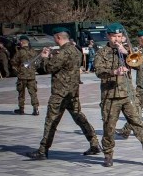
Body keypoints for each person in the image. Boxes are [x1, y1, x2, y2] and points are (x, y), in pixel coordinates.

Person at [27, 28, 101, 160]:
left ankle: (43, 150)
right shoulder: (76, 50)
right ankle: (94, 143)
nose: (54, 40)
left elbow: (48, 68)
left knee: (51, 121)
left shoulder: (62, 52)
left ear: (58, 37)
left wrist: (44, 58)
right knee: (80, 118)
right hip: (72, 92)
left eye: (54, 38)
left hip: (60, 93)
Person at [93, 24, 143, 168]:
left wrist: (126, 52)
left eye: (120, 37)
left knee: (137, 124)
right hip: (110, 96)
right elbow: (98, 71)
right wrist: (114, 72)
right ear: (109, 37)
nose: (117, 39)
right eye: (114, 36)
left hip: (128, 95)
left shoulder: (127, 50)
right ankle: (108, 155)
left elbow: (138, 65)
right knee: (109, 127)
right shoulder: (102, 53)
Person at [117, 30, 143, 139]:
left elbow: (135, 63)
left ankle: (126, 130)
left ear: (142, 39)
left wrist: (126, 53)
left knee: (136, 108)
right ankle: (126, 130)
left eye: (139, 39)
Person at [11, 35, 40, 115]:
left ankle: (21, 109)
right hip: (32, 76)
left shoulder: (19, 52)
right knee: (33, 93)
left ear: (21, 42)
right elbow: (38, 63)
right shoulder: (33, 51)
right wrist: (33, 69)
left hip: (22, 75)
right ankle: (35, 109)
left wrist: (18, 70)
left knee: (21, 93)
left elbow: (13, 62)